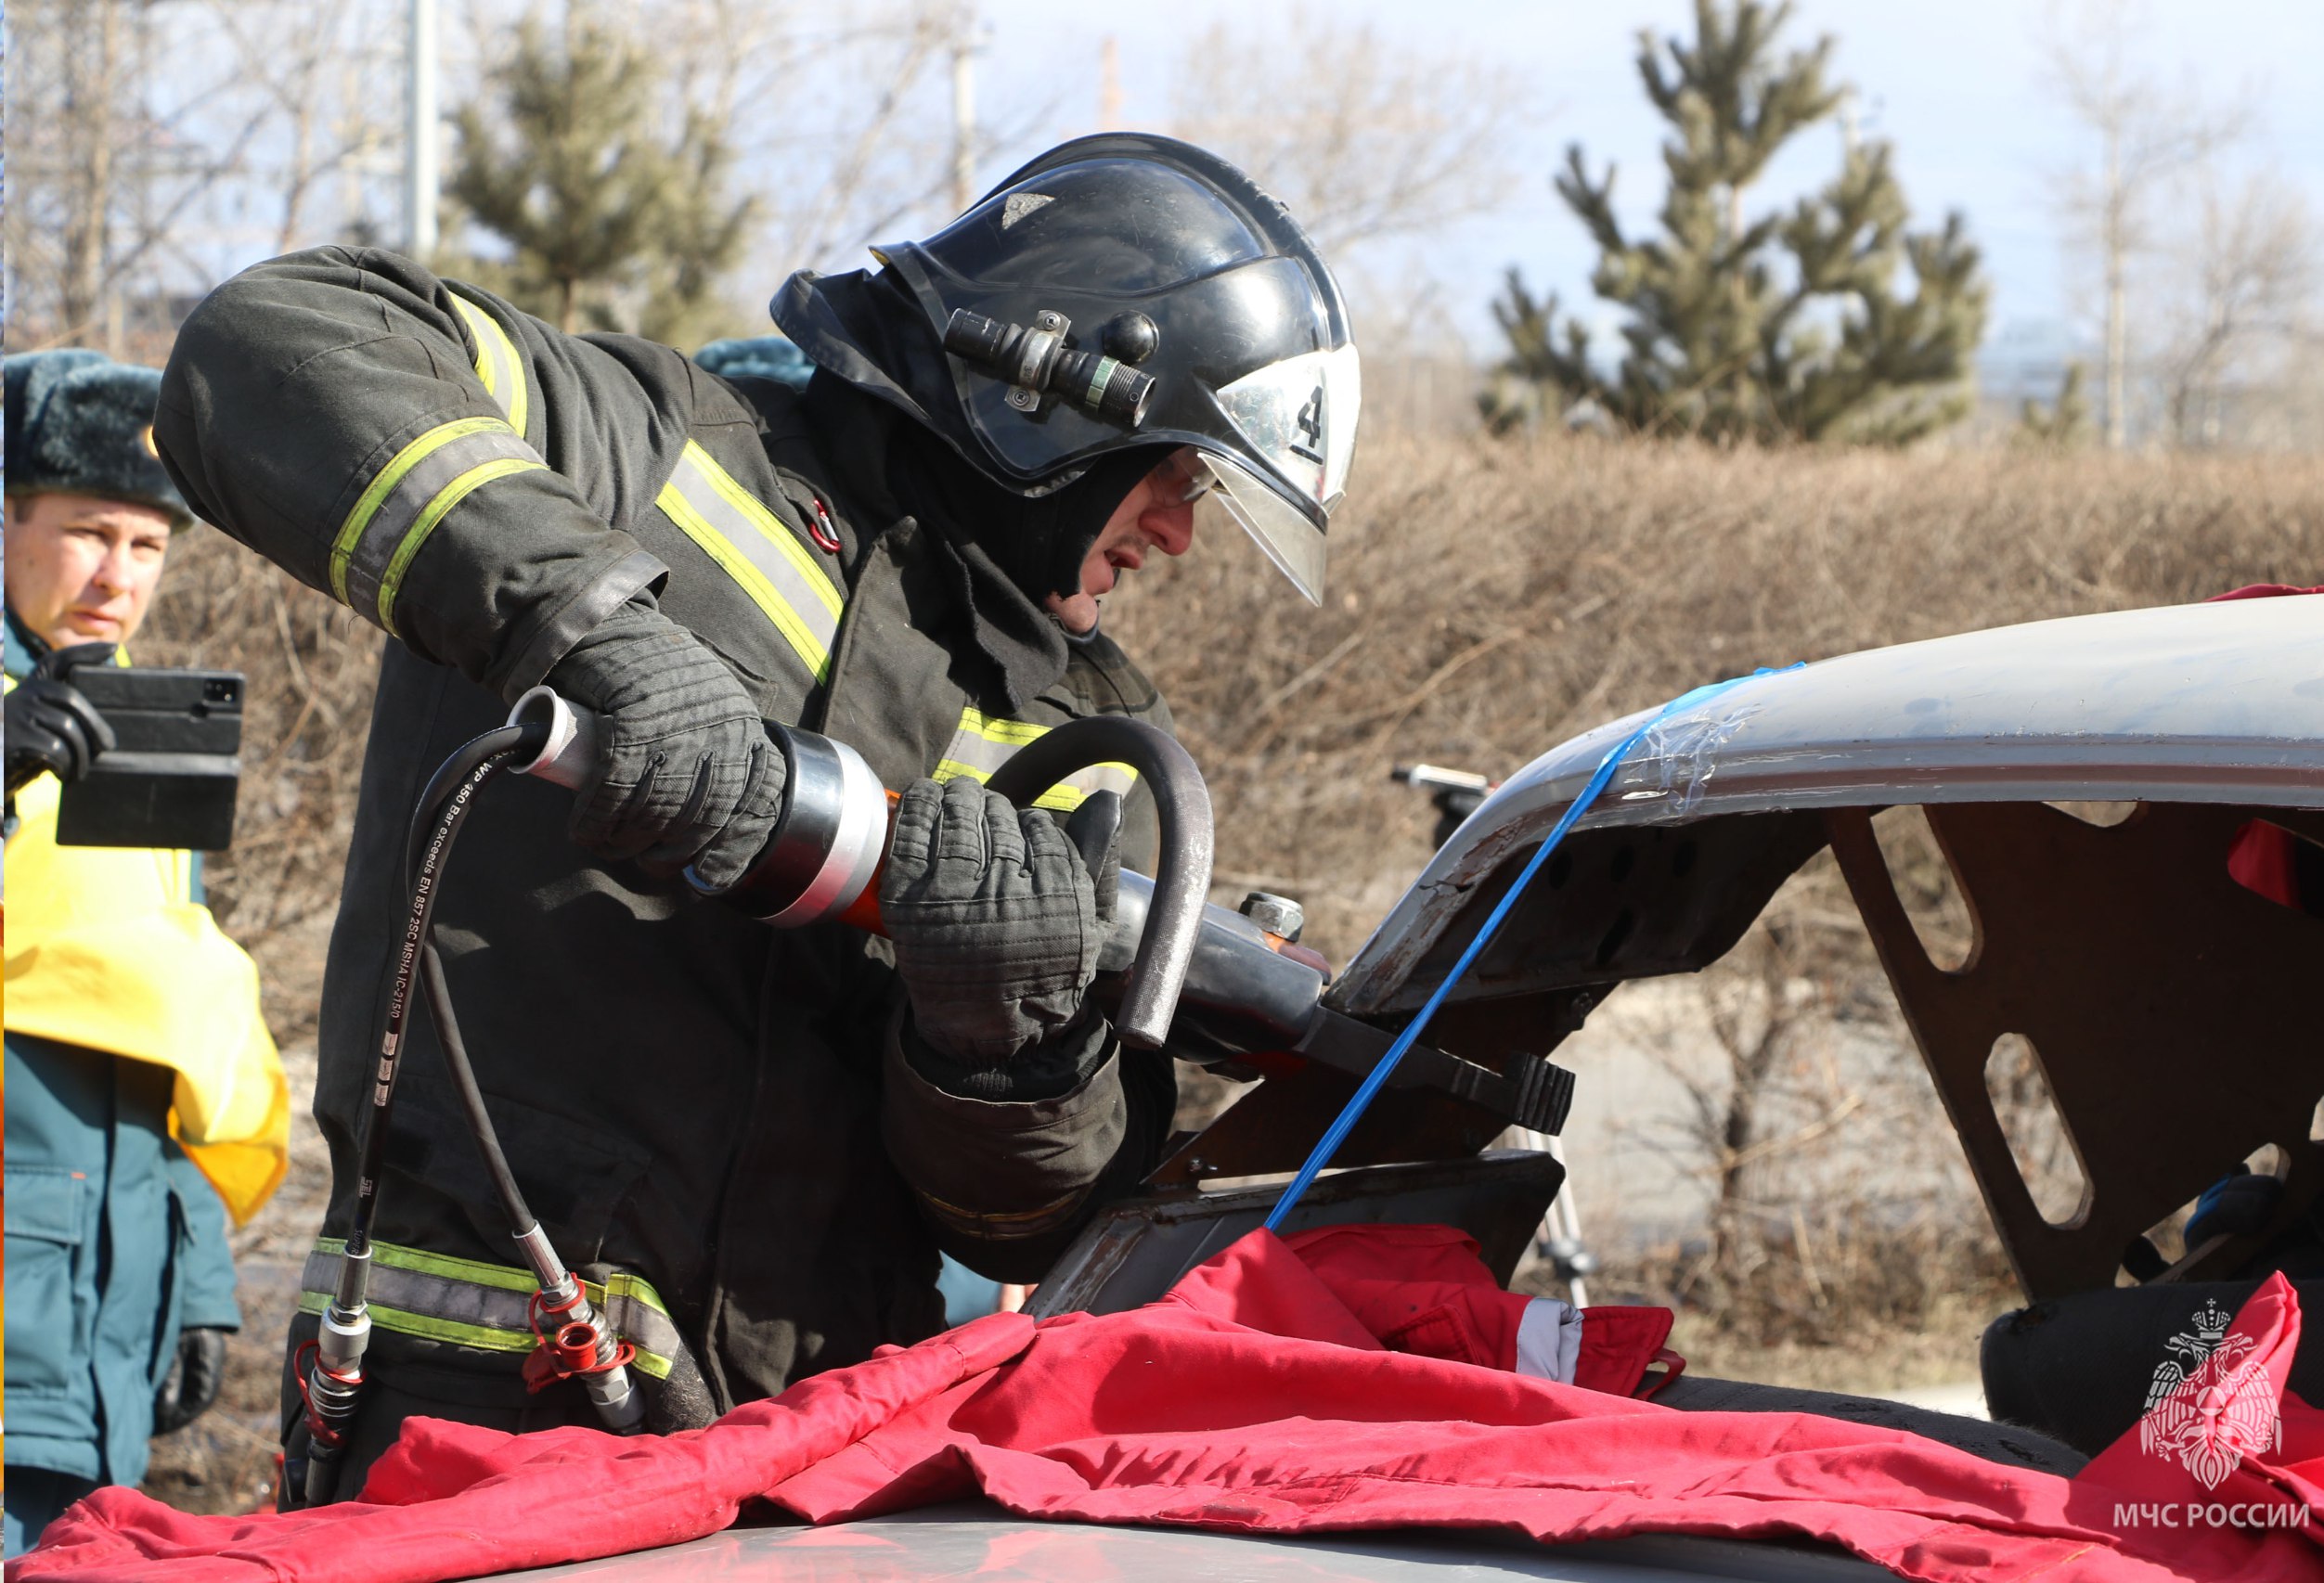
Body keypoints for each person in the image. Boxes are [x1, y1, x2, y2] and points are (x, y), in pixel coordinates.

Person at [154, 133, 1360, 1499]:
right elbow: (269, 341)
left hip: (818, 1465)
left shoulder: (1079, 751)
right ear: (1058, 394)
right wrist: (599, 635)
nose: (1180, 536)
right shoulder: (654, 451)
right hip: (470, 1425)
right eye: (1177, 476)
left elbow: (1029, 1220)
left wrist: (993, 1049)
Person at [3, 351, 290, 1554]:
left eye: (147, 545)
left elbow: (183, 1011)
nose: (117, 576)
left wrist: (200, 1283)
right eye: (86, 532)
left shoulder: (141, 737)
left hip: (95, 1320)